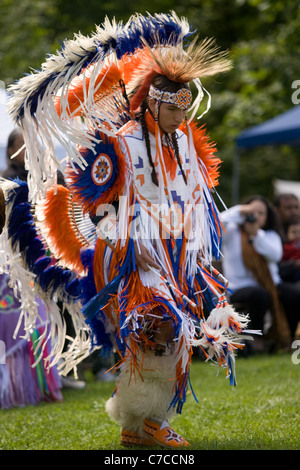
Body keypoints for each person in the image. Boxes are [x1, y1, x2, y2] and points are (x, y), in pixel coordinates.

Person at [3, 12, 250, 447]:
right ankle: (149, 421)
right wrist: (131, 246)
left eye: (186, 105)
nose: (181, 115)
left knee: (172, 337)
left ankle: (139, 427)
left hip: (176, 255)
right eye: (174, 106)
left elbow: (196, 201)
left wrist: (196, 250)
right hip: (130, 257)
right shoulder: (120, 143)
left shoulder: (186, 143)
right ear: (153, 100)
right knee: (157, 328)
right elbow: (98, 209)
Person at [0, 129, 62, 408]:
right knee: (15, 324)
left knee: (40, 320)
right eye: (20, 145)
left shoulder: (42, 176)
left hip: (37, 257)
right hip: (10, 263)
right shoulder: (4, 179)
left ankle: (40, 386)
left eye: (30, 144)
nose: (26, 149)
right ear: (11, 149)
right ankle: (14, 388)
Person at [220, 195, 300, 351]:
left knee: (294, 294)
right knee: (259, 295)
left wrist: (255, 235)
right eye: (252, 211)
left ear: (267, 217)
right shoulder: (231, 232)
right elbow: (215, 222)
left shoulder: (269, 235)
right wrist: (239, 210)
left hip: (271, 285)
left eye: (261, 213)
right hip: (238, 288)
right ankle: (256, 339)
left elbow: (275, 255)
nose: (255, 216)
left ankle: (286, 339)